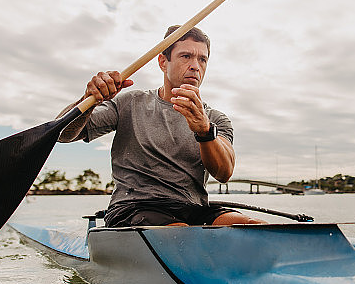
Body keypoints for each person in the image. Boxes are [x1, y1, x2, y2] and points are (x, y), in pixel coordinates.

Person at [57, 25, 263, 227]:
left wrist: (204, 130)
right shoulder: (130, 103)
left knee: (256, 225)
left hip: (194, 209)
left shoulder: (215, 119)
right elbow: (62, 134)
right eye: (186, 56)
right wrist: (89, 100)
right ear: (163, 62)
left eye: (202, 59)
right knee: (180, 232)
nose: (195, 66)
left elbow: (224, 173)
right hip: (133, 208)